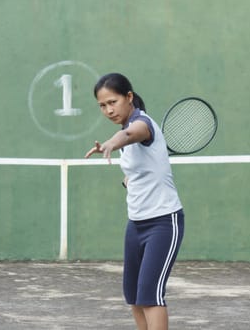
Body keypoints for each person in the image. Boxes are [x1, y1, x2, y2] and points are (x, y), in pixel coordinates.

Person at [85, 73, 184, 330]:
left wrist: (111, 143)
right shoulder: (126, 131)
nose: (108, 109)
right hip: (136, 224)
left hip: (164, 222)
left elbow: (130, 134)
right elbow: (135, 171)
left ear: (129, 97)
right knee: (134, 296)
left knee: (151, 295)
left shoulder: (143, 124)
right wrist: (128, 181)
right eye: (102, 105)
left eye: (113, 102)